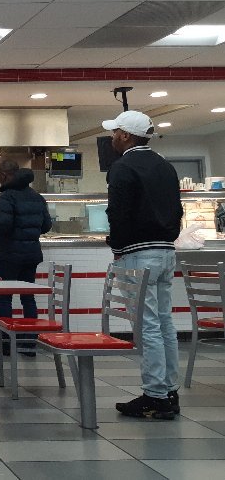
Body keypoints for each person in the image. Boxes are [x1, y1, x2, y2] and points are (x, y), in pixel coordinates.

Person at [102, 110, 183, 420]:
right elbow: (177, 210)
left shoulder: (122, 167)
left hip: (138, 253)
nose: (112, 138)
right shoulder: (165, 166)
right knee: (164, 322)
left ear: (125, 135)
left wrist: (117, 247)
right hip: (166, 251)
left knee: (146, 325)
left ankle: (155, 395)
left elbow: (118, 213)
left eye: (115, 132)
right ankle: (169, 390)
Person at [0, 160, 52, 356]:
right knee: (28, 297)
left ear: (4, 175)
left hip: (10, 254)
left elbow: (3, 225)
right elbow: (46, 226)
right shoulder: (37, 196)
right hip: (32, 254)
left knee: (5, 297)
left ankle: (5, 344)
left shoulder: (6, 196)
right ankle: (30, 343)